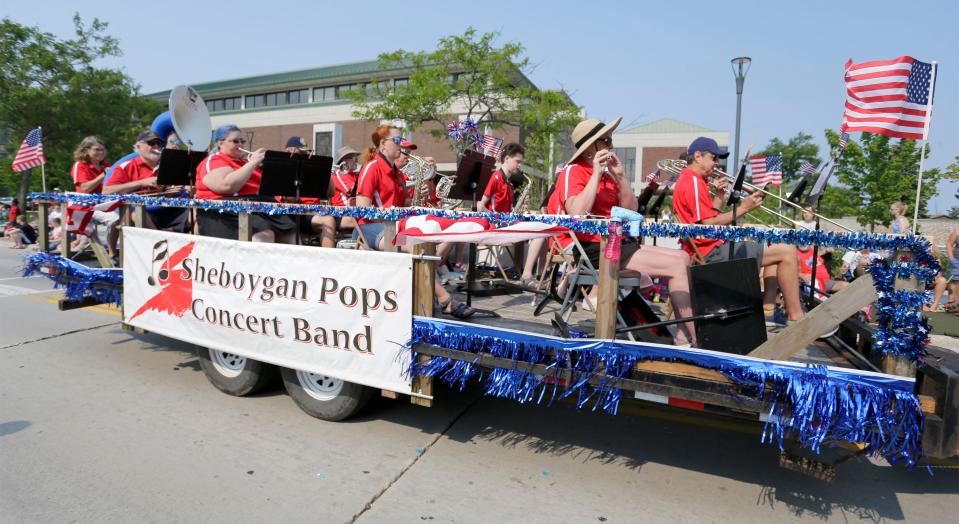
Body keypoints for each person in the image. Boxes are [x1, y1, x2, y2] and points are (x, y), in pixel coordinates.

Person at [558, 118, 696, 345]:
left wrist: (620, 176)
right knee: (676, 264)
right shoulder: (573, 171)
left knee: (683, 257)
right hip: (595, 249)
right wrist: (594, 174)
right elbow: (576, 213)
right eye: (606, 140)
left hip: (617, 243)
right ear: (591, 147)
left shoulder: (609, 174)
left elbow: (631, 210)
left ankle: (684, 332)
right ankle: (692, 336)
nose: (611, 144)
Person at [672, 136, 804, 325]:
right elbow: (709, 224)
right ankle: (797, 317)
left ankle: (768, 309)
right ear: (698, 156)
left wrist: (719, 197)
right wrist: (743, 208)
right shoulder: (692, 181)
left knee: (775, 248)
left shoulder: (693, 180)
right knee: (788, 250)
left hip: (708, 249)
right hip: (710, 253)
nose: (716, 163)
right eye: (713, 158)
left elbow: (708, 220)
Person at [355, 125, 474, 319]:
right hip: (370, 227)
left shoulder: (397, 173)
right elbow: (361, 208)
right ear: (383, 144)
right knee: (414, 245)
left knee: (433, 238)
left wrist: (417, 198)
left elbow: (404, 204)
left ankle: (426, 294)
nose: (401, 146)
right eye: (397, 141)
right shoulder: (372, 167)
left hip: (393, 226)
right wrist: (394, 215)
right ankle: (446, 300)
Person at [194, 124, 296, 243]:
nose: (240, 145)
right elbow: (226, 186)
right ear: (220, 143)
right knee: (264, 234)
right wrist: (252, 163)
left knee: (290, 232)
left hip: (258, 208)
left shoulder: (244, 163)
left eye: (242, 141)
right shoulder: (214, 161)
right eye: (235, 141)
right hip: (223, 212)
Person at [104, 131, 191, 232]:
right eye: (151, 143)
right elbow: (106, 191)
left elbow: (175, 189)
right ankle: (159, 240)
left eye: (159, 144)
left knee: (197, 212)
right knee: (136, 214)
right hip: (142, 212)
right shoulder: (126, 166)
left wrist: (175, 189)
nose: (156, 147)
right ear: (138, 146)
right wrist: (142, 182)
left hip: (170, 210)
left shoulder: (169, 165)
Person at [70, 136, 119, 259]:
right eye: (97, 150)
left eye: (102, 150)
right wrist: (103, 175)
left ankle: (122, 252)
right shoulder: (80, 165)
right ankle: (112, 254)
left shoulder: (107, 165)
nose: (101, 153)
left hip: (106, 203)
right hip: (86, 205)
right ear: (86, 151)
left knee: (130, 216)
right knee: (115, 219)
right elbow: (85, 188)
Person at [310, 146, 361, 247]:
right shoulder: (339, 173)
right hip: (340, 213)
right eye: (354, 158)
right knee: (363, 220)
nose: (357, 161)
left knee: (370, 219)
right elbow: (353, 192)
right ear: (344, 161)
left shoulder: (355, 175)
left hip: (351, 213)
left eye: (357, 158)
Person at [477, 144, 523, 213]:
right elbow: (480, 206)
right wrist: (496, 217)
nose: (520, 165)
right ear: (507, 159)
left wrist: (521, 203)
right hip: (494, 222)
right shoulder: (496, 177)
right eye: (517, 161)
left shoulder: (510, 185)